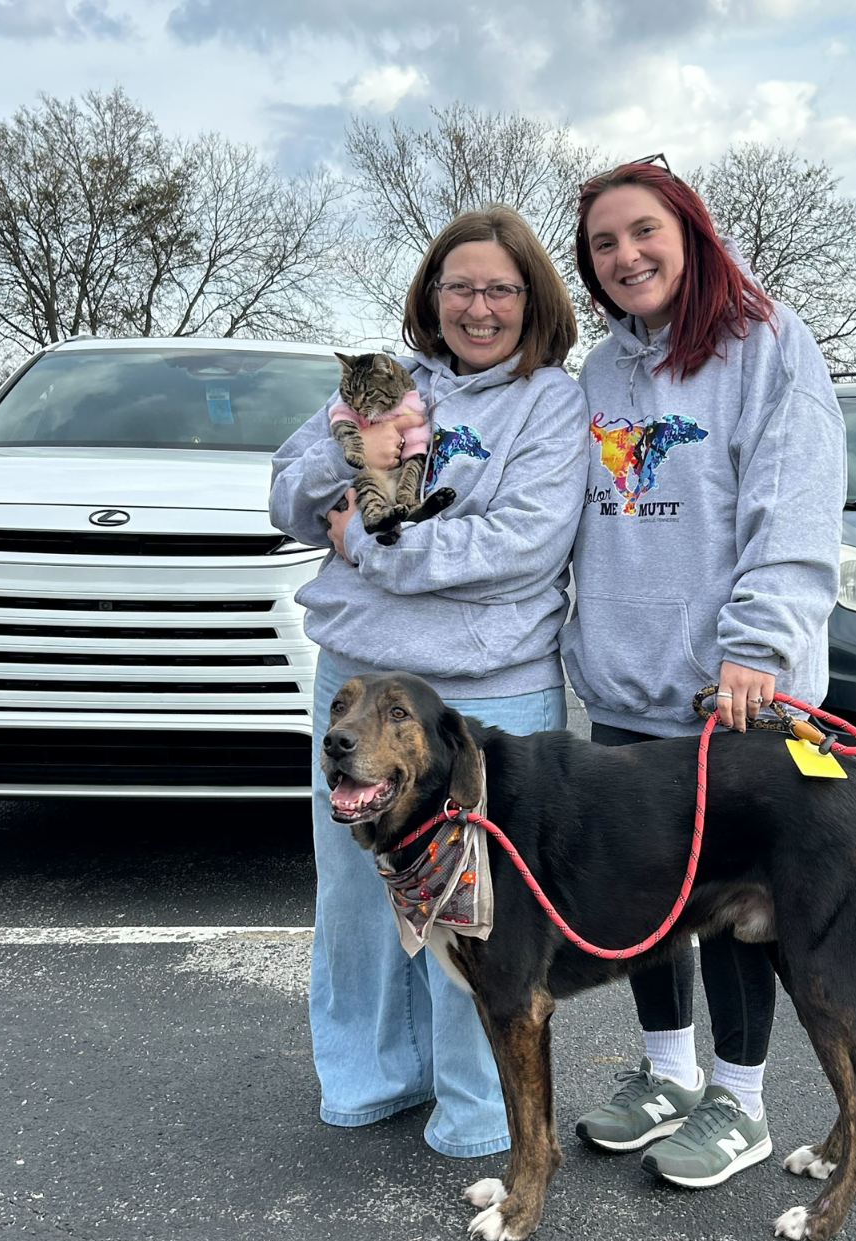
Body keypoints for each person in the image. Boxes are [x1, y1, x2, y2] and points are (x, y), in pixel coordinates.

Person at [270, 206, 588, 1158]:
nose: (478, 308)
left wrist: (363, 542)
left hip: (486, 695)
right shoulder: (387, 386)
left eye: (499, 288)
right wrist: (340, 453)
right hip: (363, 685)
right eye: (460, 287)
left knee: (481, 913)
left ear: (530, 299)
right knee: (361, 903)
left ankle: (479, 1115)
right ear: (430, 296)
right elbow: (288, 495)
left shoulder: (550, 404)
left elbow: (519, 549)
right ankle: (372, 1084)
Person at [560, 160, 846, 1187]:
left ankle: (742, 1101)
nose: (627, 255)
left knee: (732, 902)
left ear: (689, 231)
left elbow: (795, 503)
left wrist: (758, 648)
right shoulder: (597, 375)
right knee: (643, 891)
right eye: (604, 243)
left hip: (734, 692)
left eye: (644, 232)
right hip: (629, 686)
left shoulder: (765, 343)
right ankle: (667, 1074)